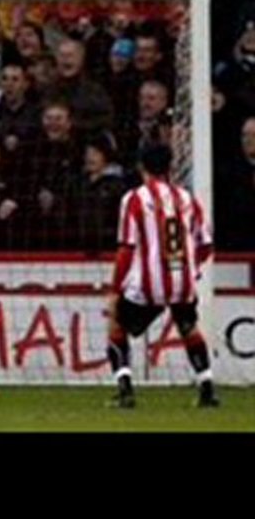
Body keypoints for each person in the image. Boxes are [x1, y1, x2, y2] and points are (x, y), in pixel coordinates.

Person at [106, 143, 217, 409]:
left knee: (117, 325)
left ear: (141, 166)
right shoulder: (187, 198)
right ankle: (207, 389)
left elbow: (126, 248)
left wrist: (115, 288)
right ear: (170, 167)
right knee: (188, 327)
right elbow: (205, 244)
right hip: (183, 282)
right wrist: (191, 269)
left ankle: (125, 391)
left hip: (150, 284)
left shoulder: (134, 199)